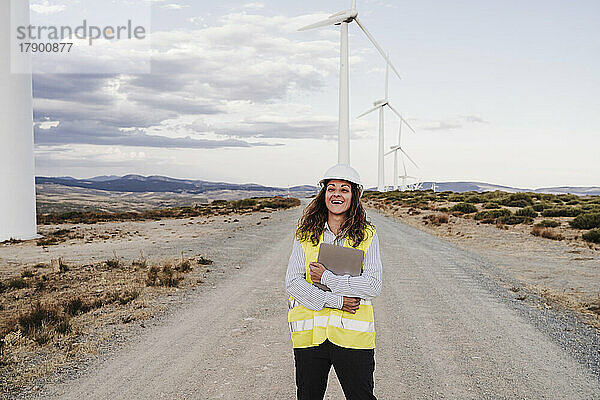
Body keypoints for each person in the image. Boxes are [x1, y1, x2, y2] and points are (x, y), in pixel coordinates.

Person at [285, 163, 383, 400]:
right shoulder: (305, 234)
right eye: (331, 188)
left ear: (354, 197)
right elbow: (293, 282)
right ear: (323, 194)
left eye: (344, 189)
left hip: (352, 338)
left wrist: (327, 277)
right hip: (310, 338)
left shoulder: (367, 235)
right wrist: (336, 301)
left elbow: (372, 285)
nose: (337, 194)